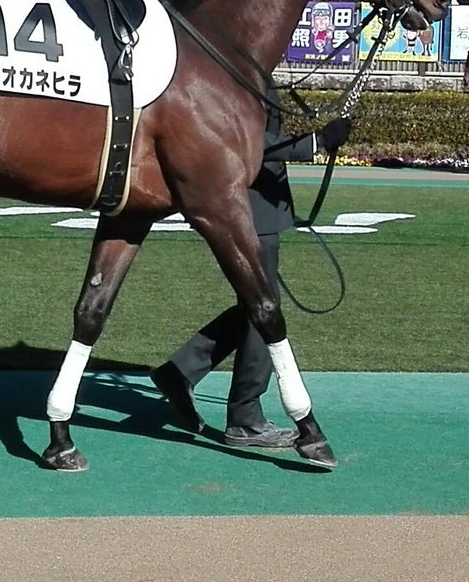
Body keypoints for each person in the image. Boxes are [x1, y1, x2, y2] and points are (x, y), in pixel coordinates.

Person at [149, 103, 352, 448]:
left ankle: (181, 370)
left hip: (253, 201)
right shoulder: (242, 68)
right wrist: (314, 142)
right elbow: (246, 137)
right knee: (264, 309)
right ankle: (245, 418)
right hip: (247, 203)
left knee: (254, 306)